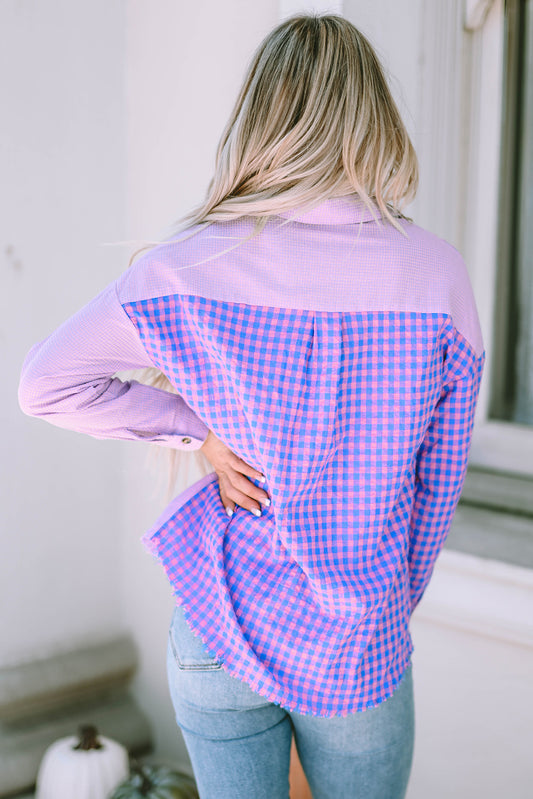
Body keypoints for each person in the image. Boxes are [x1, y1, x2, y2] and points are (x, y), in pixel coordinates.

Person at [18, 13, 485, 799]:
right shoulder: (436, 276)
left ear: (259, 118)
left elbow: (45, 385)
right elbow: (437, 487)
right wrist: (377, 614)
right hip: (355, 637)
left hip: (218, 623)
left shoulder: (189, 263)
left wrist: (192, 429)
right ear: (373, 118)